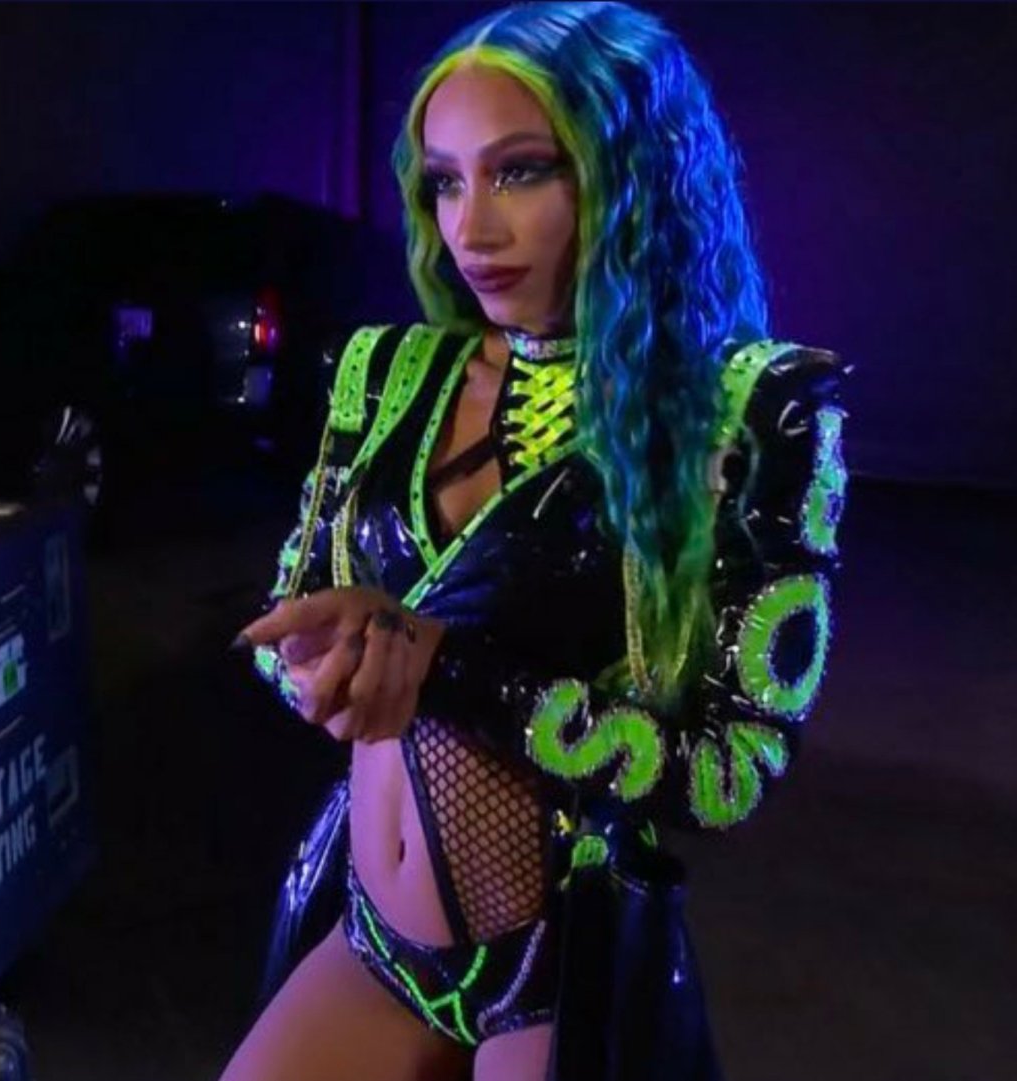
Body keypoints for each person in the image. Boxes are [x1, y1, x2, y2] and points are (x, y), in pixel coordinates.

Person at [220, 3, 851, 1079]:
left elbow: (727, 773)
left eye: (519, 172)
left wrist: (450, 670)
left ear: (634, 176)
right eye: (445, 181)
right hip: (374, 946)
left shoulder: (751, 412)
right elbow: (294, 627)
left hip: (560, 970)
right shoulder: (384, 372)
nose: (471, 228)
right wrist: (325, 668)